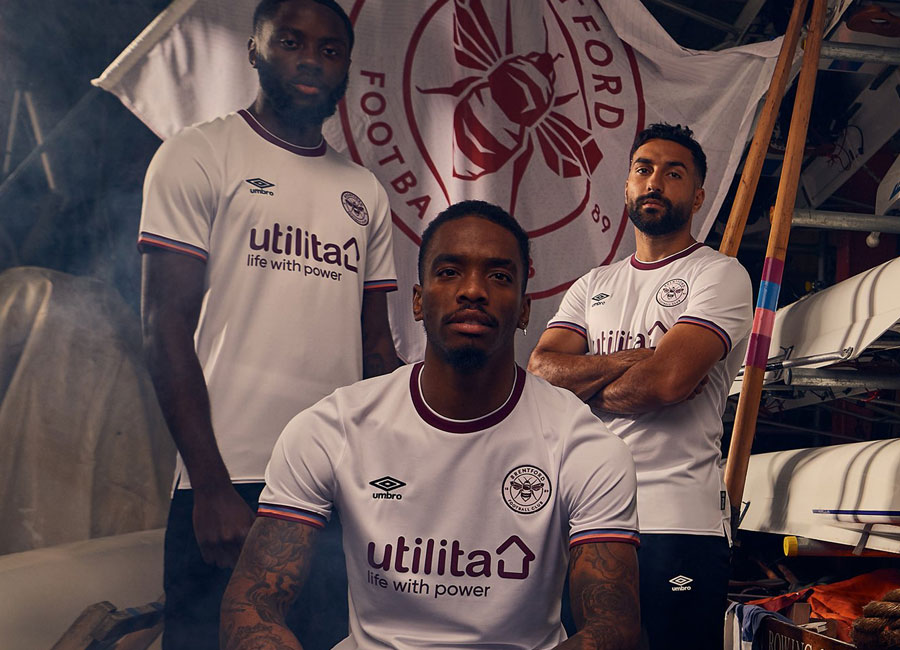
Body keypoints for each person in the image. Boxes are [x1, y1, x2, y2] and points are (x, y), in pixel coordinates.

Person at [221, 200, 641, 650]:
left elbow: (613, 629)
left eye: (499, 276)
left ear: (524, 310)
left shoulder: (583, 444)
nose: (473, 290)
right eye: (449, 272)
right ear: (418, 301)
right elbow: (251, 605)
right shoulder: (335, 427)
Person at [139, 1, 399, 648]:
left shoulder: (364, 191)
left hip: (333, 488)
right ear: (254, 49)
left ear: (346, 67)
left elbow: (376, 352)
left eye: (330, 50)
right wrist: (209, 485)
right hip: (227, 482)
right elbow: (163, 328)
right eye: (290, 42)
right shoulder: (198, 154)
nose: (311, 59)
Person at [528, 124, 753, 650]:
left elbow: (667, 383)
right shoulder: (593, 284)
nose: (655, 182)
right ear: (628, 186)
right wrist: (637, 360)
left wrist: (587, 383)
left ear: (697, 196)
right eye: (643, 169)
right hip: (586, 515)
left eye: (674, 174)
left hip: (677, 519)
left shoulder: (719, 274)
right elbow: (540, 373)